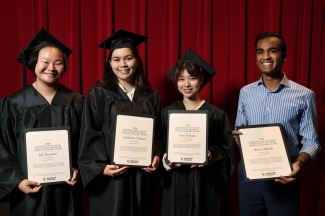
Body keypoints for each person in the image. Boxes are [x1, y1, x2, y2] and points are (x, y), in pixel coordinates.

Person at [232, 32, 320, 216]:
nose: (266, 56)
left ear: (284, 56)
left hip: (284, 175)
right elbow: (240, 132)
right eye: (260, 52)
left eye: (273, 51)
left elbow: (312, 141)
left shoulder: (304, 95)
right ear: (256, 58)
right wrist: (239, 138)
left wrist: (298, 164)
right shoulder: (246, 93)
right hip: (250, 176)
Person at [0, 28, 84, 216]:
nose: (51, 68)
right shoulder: (14, 104)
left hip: (66, 192)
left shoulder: (77, 102)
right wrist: (17, 181)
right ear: (33, 63)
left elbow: (86, 143)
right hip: (29, 195)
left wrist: (78, 168)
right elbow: (2, 148)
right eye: (45, 62)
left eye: (58, 63)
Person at [78, 29, 162, 216]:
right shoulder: (98, 94)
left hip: (142, 179)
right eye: (116, 59)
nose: (122, 64)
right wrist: (100, 168)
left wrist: (156, 155)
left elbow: (158, 134)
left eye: (128, 58)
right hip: (111, 181)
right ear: (109, 63)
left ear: (137, 60)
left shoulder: (151, 95)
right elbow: (90, 132)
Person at [160, 49, 236, 216]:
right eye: (181, 79)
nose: (186, 84)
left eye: (192, 78)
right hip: (174, 183)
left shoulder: (217, 115)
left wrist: (210, 155)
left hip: (204, 185)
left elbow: (227, 150)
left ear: (201, 80)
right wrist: (165, 161)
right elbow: (157, 147)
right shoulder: (166, 113)